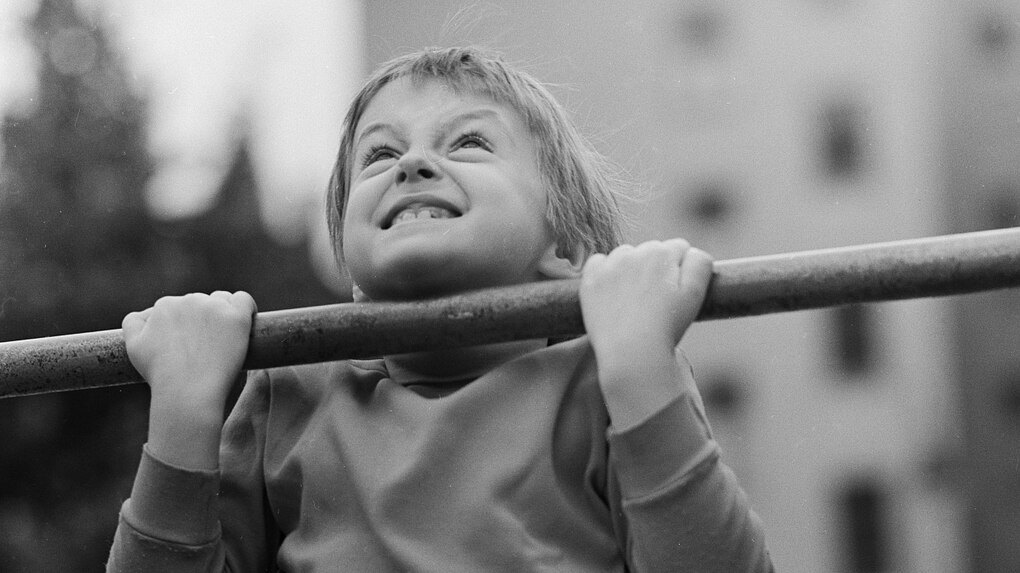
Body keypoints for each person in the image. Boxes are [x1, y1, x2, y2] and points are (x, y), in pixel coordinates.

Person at [107, 46, 774, 572]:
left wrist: (639, 373)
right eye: (381, 153)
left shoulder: (611, 376)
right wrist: (181, 415)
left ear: (568, 246)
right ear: (351, 265)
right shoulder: (289, 391)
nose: (414, 163)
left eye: (468, 144)